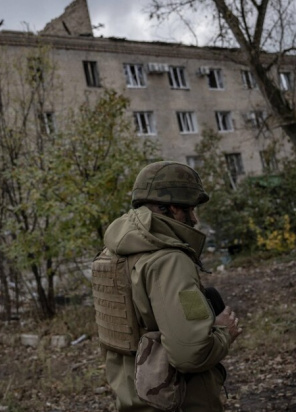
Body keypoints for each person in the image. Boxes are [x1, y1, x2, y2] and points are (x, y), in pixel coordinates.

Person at [94, 160, 242, 411]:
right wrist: (224, 332)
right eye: (191, 210)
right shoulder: (169, 260)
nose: (194, 219)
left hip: (133, 399)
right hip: (178, 401)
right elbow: (190, 353)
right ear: (173, 208)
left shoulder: (112, 253)